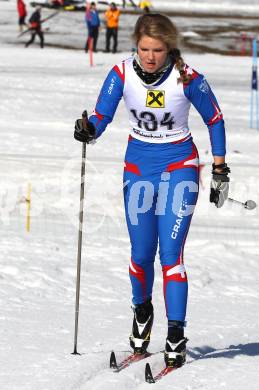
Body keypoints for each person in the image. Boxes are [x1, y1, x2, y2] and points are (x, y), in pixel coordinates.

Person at [74, 13, 230, 368]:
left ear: (169, 48)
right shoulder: (121, 74)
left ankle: (176, 332)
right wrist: (87, 129)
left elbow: (215, 119)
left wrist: (220, 167)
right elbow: (101, 117)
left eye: (158, 49)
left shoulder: (187, 78)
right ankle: (141, 312)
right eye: (144, 48)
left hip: (179, 168)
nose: (149, 56)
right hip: (138, 169)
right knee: (141, 253)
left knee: (171, 255)